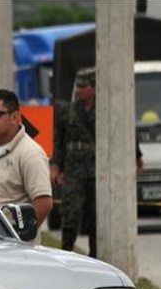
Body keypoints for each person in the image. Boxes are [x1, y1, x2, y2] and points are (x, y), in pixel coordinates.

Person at [51, 68, 144, 258]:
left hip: (99, 170)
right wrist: (56, 165)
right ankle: (66, 253)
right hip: (74, 170)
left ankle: (95, 256)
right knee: (70, 214)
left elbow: (126, 132)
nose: (79, 91)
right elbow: (58, 139)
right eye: (78, 87)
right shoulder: (67, 112)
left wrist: (136, 156)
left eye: (84, 87)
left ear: (94, 88)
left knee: (96, 217)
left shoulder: (106, 110)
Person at [0, 89, 53, 243]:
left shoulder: (30, 154)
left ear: (15, 117)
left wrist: (18, 237)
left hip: (14, 251)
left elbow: (44, 203)